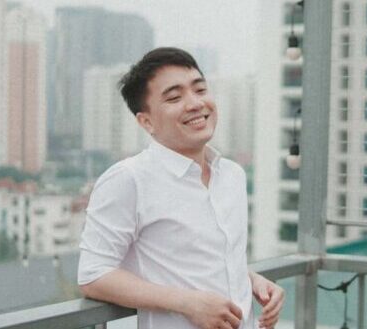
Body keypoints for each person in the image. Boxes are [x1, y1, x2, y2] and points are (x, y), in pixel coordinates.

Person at [78, 47, 284, 329]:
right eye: (175, 97)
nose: (195, 103)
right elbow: (93, 275)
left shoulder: (232, 175)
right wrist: (186, 302)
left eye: (200, 90)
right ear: (146, 121)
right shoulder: (128, 180)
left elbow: (204, 258)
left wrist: (249, 280)